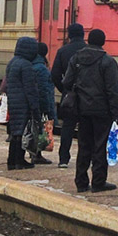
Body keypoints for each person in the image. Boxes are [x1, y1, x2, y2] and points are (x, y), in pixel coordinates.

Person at [63, 29, 118, 193]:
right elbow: (113, 90)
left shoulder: (76, 59)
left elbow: (66, 82)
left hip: (81, 110)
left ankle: (81, 182)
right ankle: (98, 182)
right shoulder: (107, 62)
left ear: (88, 40)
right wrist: (117, 113)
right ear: (103, 42)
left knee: (84, 145)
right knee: (100, 146)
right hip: (102, 111)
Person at [51, 23, 86, 168]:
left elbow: (54, 75)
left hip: (70, 95)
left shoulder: (63, 51)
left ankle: (63, 159)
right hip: (88, 96)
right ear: (83, 35)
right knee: (86, 128)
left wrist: (64, 89)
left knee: (68, 128)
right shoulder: (89, 51)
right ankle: (84, 159)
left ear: (69, 35)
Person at [5, 37, 40, 170]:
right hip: (23, 103)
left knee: (15, 132)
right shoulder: (26, 65)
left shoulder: (12, 62)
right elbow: (30, 89)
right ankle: (19, 160)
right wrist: (35, 108)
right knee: (23, 132)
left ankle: (11, 160)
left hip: (13, 101)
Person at [31, 42, 55, 165]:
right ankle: (36, 154)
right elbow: (44, 90)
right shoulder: (41, 68)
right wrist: (48, 108)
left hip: (33, 103)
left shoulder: (32, 64)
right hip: (40, 104)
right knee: (38, 129)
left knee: (34, 129)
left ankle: (34, 153)